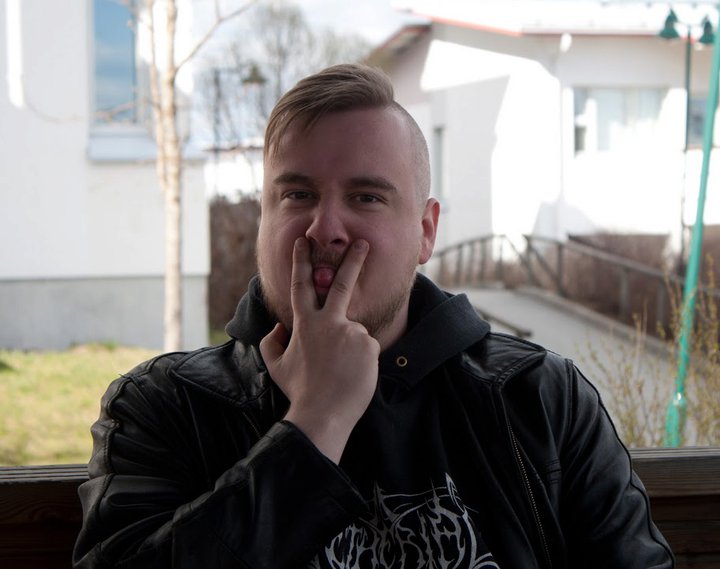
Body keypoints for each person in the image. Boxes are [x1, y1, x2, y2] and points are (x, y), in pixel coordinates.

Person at [74, 63, 674, 568]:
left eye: (366, 197)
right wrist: (315, 424)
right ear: (263, 219)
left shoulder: (540, 399)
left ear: (426, 231)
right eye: (297, 195)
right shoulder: (164, 405)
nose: (325, 229)